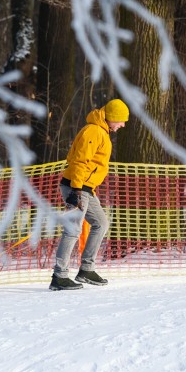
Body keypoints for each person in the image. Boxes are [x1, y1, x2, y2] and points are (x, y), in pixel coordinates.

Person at [50, 99, 128, 291]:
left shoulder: (102, 132)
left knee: (101, 223)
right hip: (77, 187)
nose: (122, 125)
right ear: (112, 117)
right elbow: (79, 161)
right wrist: (76, 190)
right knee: (73, 230)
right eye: (121, 121)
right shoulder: (94, 131)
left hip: (86, 188)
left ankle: (86, 269)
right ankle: (59, 276)